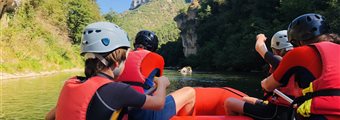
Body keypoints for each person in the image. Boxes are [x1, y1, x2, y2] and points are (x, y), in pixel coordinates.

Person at [45, 22, 196, 120]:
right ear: (117, 63)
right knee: (189, 91)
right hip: (144, 107)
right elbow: (158, 104)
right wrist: (162, 83)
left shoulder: (72, 83)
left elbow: (49, 117)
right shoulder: (117, 91)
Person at [261, 13, 340, 119]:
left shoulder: (298, 53)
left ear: (298, 41)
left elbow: (268, 86)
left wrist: (264, 83)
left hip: (323, 114)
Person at [225, 31, 295, 120]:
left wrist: (260, 37)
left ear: (276, 50)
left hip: (274, 113)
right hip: (287, 110)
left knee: (229, 102)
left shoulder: (278, 61)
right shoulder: (295, 62)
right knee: (246, 99)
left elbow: (259, 47)